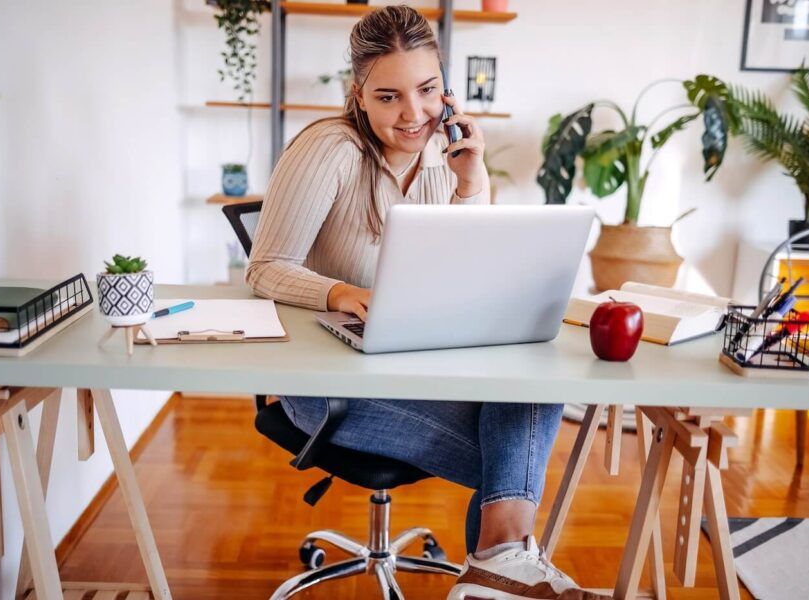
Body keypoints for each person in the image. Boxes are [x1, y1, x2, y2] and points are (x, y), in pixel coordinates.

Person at [246, 6, 606, 600]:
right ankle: (500, 568)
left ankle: (498, 571)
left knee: (534, 383)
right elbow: (264, 269)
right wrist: (341, 292)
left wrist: (471, 181)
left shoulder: (444, 153)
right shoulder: (329, 150)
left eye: (428, 90)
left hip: (416, 364)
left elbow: (470, 270)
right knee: (509, 467)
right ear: (358, 95)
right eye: (388, 97)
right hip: (327, 383)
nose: (414, 114)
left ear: (446, 86)